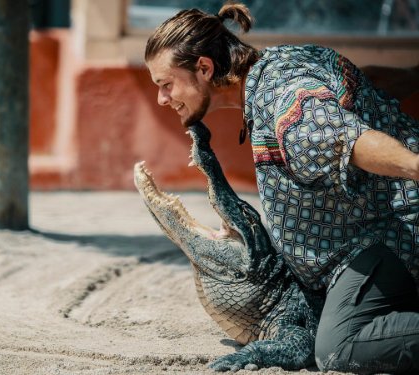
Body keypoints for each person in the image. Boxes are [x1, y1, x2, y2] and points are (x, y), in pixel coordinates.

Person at [144, 2, 419, 373]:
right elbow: (365, 81)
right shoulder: (281, 62)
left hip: (386, 235)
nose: (162, 99)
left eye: (166, 84)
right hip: (362, 237)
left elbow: (349, 140)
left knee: (339, 347)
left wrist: (415, 165)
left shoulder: (282, 103)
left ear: (205, 68)